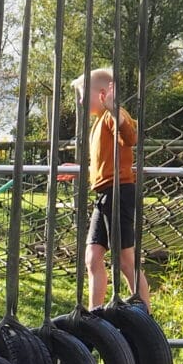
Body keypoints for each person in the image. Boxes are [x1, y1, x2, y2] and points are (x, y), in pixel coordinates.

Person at [77, 67, 150, 308]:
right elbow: (105, 160)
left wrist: (114, 109)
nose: (80, 101)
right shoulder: (99, 121)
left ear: (102, 93)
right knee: (92, 257)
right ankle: (95, 315)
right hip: (104, 194)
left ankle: (146, 318)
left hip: (118, 193)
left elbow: (130, 138)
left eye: (83, 95)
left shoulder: (113, 115)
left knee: (126, 260)